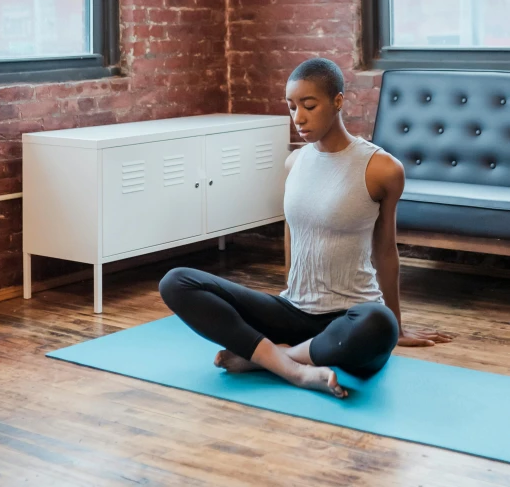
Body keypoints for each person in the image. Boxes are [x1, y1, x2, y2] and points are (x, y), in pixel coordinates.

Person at [159, 58, 452, 398]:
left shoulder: (381, 169)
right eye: (291, 107)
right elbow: (294, 236)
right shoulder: (295, 162)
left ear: (338, 102)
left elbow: (385, 250)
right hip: (293, 311)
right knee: (176, 282)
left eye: (309, 106)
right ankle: (293, 368)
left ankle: (268, 358)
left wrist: (397, 326)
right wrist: (288, 296)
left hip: (350, 320)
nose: (298, 117)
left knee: (379, 325)